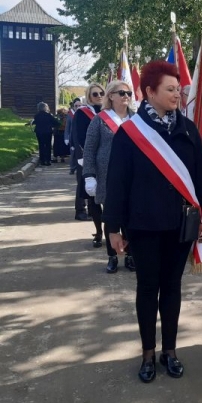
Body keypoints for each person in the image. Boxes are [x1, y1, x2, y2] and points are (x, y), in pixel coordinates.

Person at [104, 61, 202, 383]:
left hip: (181, 227)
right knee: (147, 288)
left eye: (178, 89)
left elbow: (200, 178)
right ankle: (148, 354)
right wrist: (114, 228)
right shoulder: (130, 133)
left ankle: (170, 351)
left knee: (172, 288)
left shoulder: (188, 129)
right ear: (149, 92)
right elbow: (118, 182)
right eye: (170, 89)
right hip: (144, 226)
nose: (177, 94)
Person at [82, 81, 136, 274]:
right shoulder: (99, 120)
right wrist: (89, 176)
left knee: (130, 219)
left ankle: (130, 255)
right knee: (112, 219)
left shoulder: (136, 119)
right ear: (111, 96)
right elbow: (89, 150)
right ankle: (112, 256)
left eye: (128, 92)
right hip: (107, 177)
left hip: (132, 178)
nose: (126, 96)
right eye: (121, 92)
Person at [72, 84, 105, 237]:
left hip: (109, 160)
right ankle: (98, 232)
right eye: (95, 94)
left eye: (101, 93)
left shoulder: (111, 112)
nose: (99, 96)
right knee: (93, 197)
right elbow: (80, 137)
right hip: (91, 158)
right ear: (89, 97)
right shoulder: (82, 113)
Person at [65, 98, 82, 176]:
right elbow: (67, 127)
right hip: (73, 137)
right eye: (76, 106)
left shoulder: (84, 114)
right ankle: (72, 168)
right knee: (73, 153)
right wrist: (66, 137)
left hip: (81, 137)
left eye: (79, 105)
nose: (78, 107)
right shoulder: (70, 115)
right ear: (73, 106)